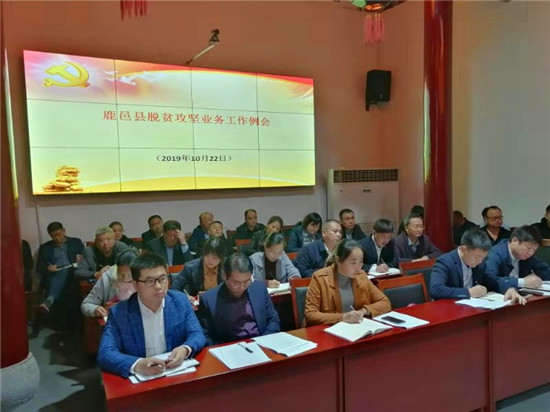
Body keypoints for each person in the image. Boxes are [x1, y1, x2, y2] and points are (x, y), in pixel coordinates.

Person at [97, 252, 205, 378]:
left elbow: (197, 334)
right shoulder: (119, 313)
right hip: (141, 378)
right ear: (135, 285)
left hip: (175, 373)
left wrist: (185, 349)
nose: (158, 286)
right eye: (150, 281)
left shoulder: (180, 301)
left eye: (162, 279)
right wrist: (138, 364)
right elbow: (105, 353)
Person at [197, 253, 280, 345]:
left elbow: (273, 320)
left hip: (261, 342)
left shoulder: (259, 289)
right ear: (224, 276)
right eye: (236, 283)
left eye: (247, 282)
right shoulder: (209, 299)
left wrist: (264, 342)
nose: (242, 287)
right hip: (230, 348)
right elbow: (205, 335)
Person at [304, 239, 391, 326]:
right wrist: (342, 317)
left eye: (360, 262)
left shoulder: (361, 276)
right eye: (353, 263)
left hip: (355, 327)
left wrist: (363, 311)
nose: (358, 268)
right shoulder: (320, 278)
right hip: (327, 329)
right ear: (338, 261)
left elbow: (385, 302)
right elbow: (310, 314)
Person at [430, 228, 525, 303]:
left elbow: (491, 280)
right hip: (449, 307)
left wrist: (508, 289)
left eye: (483, 258)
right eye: (477, 257)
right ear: (463, 249)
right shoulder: (445, 262)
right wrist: (468, 292)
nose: (480, 261)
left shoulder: (480, 262)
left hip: (472, 306)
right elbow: (436, 289)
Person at [484, 225, 550, 293]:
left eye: (534, 250)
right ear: (514, 241)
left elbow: (544, 270)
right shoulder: (495, 254)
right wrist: (523, 282)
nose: (530, 253)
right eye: (529, 248)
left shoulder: (527, 255)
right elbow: (490, 280)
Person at [36, 222, 84, 312]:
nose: (57, 238)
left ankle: (49, 300)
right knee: (62, 271)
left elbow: (85, 259)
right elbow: (39, 267)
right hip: (55, 274)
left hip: (73, 272)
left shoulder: (76, 242)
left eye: (59, 234)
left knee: (65, 270)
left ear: (64, 231)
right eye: (53, 236)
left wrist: (80, 260)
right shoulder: (45, 247)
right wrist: (48, 267)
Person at [81, 249, 139, 317]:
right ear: (116, 269)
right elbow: (86, 304)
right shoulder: (107, 279)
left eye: (129, 275)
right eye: (121, 274)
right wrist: (95, 310)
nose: (125, 278)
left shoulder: (143, 280)